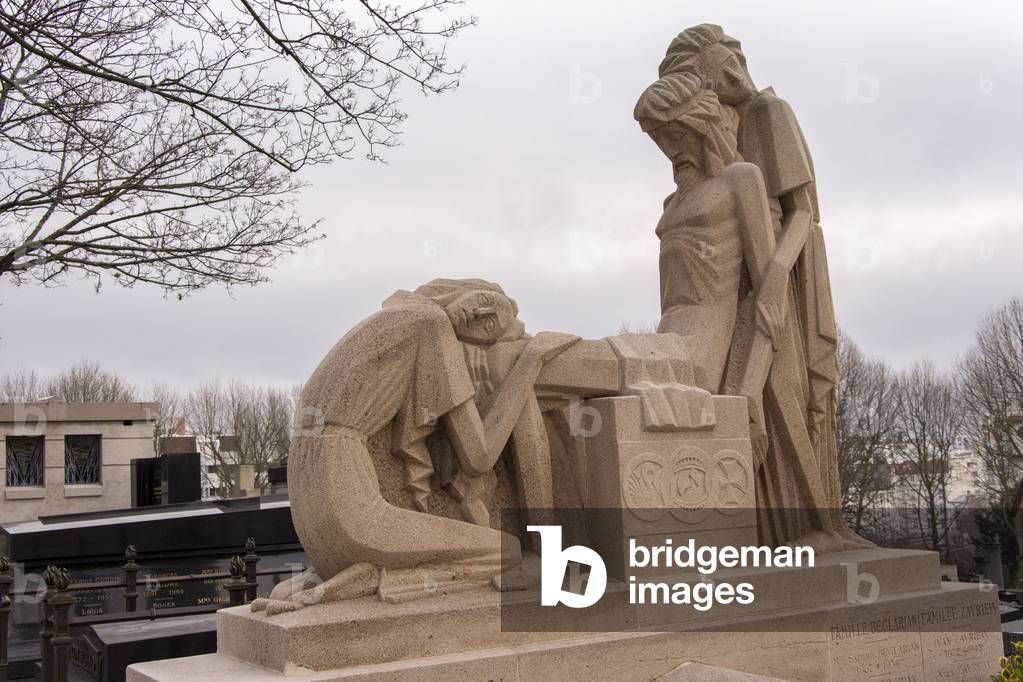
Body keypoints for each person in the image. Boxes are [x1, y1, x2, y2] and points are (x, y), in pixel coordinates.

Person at [258, 278, 577, 612]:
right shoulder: (431, 322)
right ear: (454, 288)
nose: (480, 313)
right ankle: (374, 580)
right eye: (485, 299)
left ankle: (338, 575)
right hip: (345, 492)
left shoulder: (397, 316)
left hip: (308, 492)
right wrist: (531, 362)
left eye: (491, 324)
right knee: (506, 550)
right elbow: (479, 457)